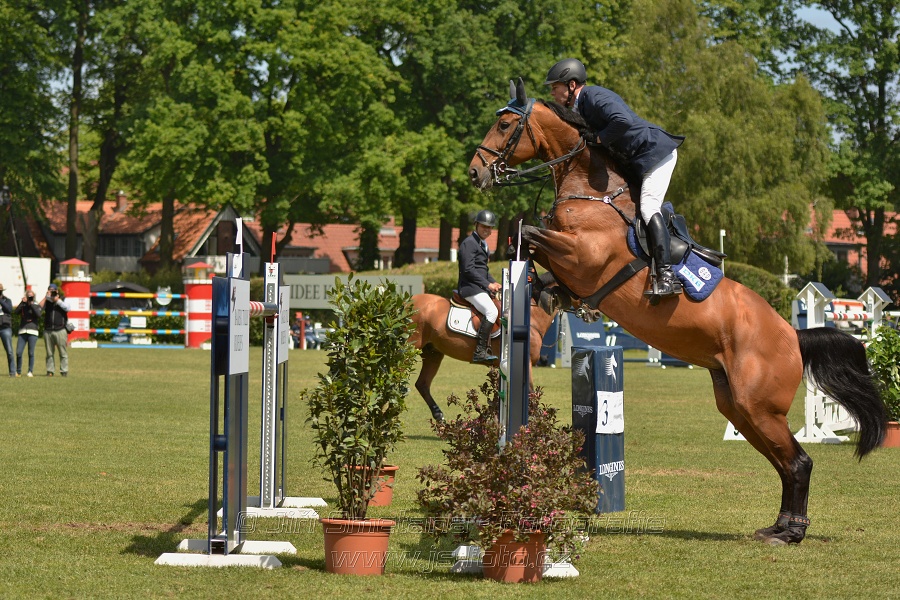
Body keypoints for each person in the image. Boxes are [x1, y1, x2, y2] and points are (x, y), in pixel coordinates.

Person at [545, 58, 685, 298]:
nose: (552, 92)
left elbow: (623, 121)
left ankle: (666, 275)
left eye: (554, 87)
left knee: (649, 208)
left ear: (571, 85)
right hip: (639, 160)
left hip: (655, 153)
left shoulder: (594, 96)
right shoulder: (582, 107)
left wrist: (598, 138)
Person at [458, 209, 502, 363]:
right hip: (469, 288)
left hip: (478, 286)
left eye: (489, 227)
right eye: (484, 226)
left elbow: (483, 269)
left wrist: (493, 281)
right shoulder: (469, 243)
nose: (487, 230)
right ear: (476, 225)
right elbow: (468, 270)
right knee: (491, 311)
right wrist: (487, 284)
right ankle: (480, 351)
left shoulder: (482, 244)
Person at [40, 283, 69, 377]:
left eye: (53, 291)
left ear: (57, 291)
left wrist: (57, 300)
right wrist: (46, 297)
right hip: (48, 330)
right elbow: (39, 309)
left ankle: (64, 371)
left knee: (62, 352)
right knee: (49, 352)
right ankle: (50, 371)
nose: (52, 293)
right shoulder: (47, 301)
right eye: (50, 290)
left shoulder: (63, 299)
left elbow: (68, 308)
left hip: (60, 329)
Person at [14, 288, 42, 377]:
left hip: (33, 331)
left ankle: (30, 371)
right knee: (18, 352)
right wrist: (22, 303)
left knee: (31, 352)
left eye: (31, 296)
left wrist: (32, 304)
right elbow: (16, 312)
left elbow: (38, 315)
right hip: (22, 331)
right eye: (28, 296)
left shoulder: (36, 305)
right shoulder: (23, 305)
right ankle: (18, 371)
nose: (29, 298)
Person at [0, 283, 14, 377]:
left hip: (5, 328)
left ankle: (12, 372)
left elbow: (9, 310)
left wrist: (0, 301)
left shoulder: (7, 300)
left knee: (9, 351)